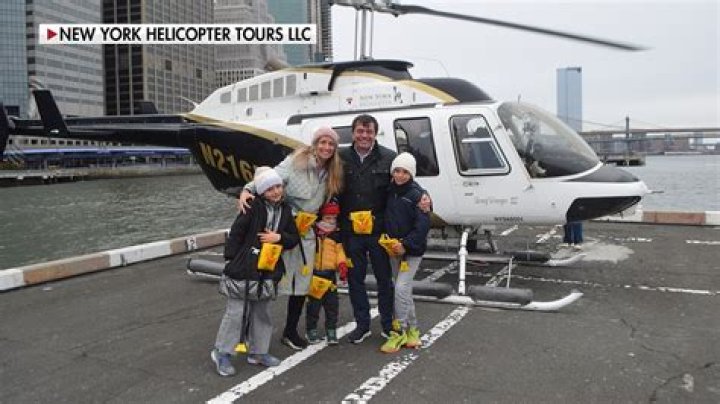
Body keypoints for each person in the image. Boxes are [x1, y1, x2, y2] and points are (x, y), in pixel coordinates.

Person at [237, 126, 343, 351]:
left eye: (331, 144)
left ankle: (290, 331)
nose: (326, 147)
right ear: (315, 144)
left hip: (307, 233)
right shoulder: (296, 161)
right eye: (322, 142)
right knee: (266, 279)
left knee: (301, 285)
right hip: (283, 225)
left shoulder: (332, 171)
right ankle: (247, 332)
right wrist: (247, 189)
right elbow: (271, 177)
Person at [211, 168, 300, 376]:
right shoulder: (251, 207)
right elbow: (236, 233)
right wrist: (232, 259)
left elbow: (294, 238)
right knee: (236, 312)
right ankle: (222, 352)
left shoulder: (286, 210)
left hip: (268, 268)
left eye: (278, 186)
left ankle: (258, 352)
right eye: (270, 189)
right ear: (261, 192)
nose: (275, 191)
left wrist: (279, 238)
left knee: (262, 312)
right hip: (244, 267)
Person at [379, 153, 430, 353]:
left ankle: (398, 331)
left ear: (412, 174)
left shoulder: (419, 196)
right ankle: (413, 330)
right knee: (404, 291)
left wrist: (405, 245)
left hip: (412, 251)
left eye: (405, 172)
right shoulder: (389, 191)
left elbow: (422, 226)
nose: (400, 175)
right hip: (393, 249)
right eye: (397, 171)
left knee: (400, 288)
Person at [305, 199, 348, 345]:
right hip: (315, 273)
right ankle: (311, 330)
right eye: (327, 218)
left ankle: (331, 330)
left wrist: (342, 265)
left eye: (333, 218)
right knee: (313, 305)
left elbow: (340, 251)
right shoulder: (313, 232)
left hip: (330, 275)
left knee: (332, 305)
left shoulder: (336, 234)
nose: (331, 221)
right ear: (321, 217)